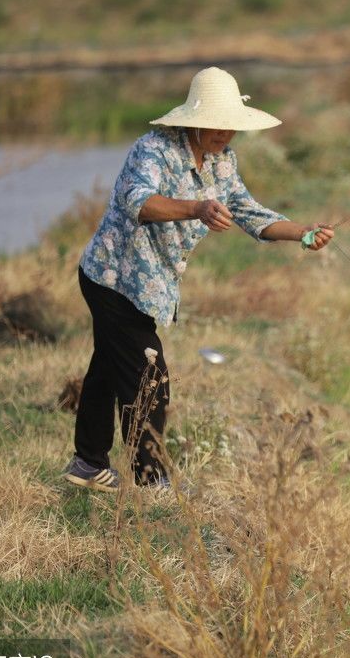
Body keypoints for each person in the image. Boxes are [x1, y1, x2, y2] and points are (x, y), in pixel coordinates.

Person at [64, 66, 335, 491]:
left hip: (149, 288)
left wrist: (302, 234)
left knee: (109, 367)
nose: (225, 133)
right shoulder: (152, 149)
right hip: (112, 279)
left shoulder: (222, 162)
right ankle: (153, 480)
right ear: (193, 119)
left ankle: (87, 463)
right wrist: (198, 208)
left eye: (231, 126)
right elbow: (139, 202)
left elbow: (251, 215)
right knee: (149, 374)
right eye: (216, 124)